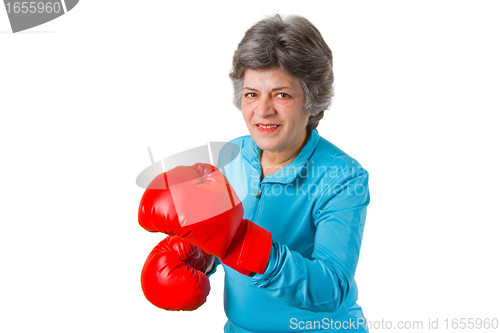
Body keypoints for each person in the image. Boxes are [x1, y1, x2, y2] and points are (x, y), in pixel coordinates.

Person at [138, 14, 370, 333]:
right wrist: (197, 255)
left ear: (313, 103)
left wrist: (244, 244)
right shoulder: (232, 156)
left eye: (281, 94)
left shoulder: (343, 177)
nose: (263, 111)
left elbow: (332, 289)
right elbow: (222, 244)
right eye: (251, 94)